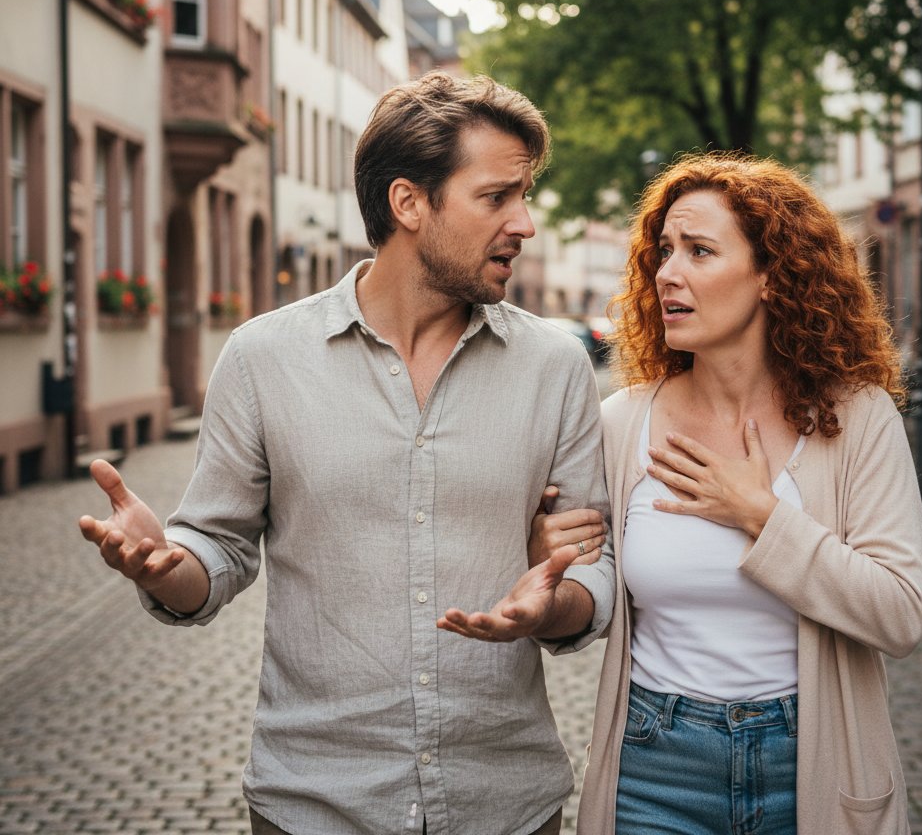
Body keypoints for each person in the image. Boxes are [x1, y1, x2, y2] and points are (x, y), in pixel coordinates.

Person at [79, 71, 614, 835]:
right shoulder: (263, 357)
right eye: (497, 197)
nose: (525, 223)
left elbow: (590, 568)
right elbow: (217, 547)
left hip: (504, 801)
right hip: (316, 805)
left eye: (524, 195)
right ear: (409, 203)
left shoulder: (554, 367)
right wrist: (168, 566)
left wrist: (551, 606)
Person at [532, 154, 922, 834]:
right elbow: (587, 593)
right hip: (657, 766)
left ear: (772, 275)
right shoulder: (624, 424)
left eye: (700, 251)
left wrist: (761, 514)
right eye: (663, 251)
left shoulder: (858, 419)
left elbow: (898, 614)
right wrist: (553, 561)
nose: (667, 273)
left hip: (810, 764)